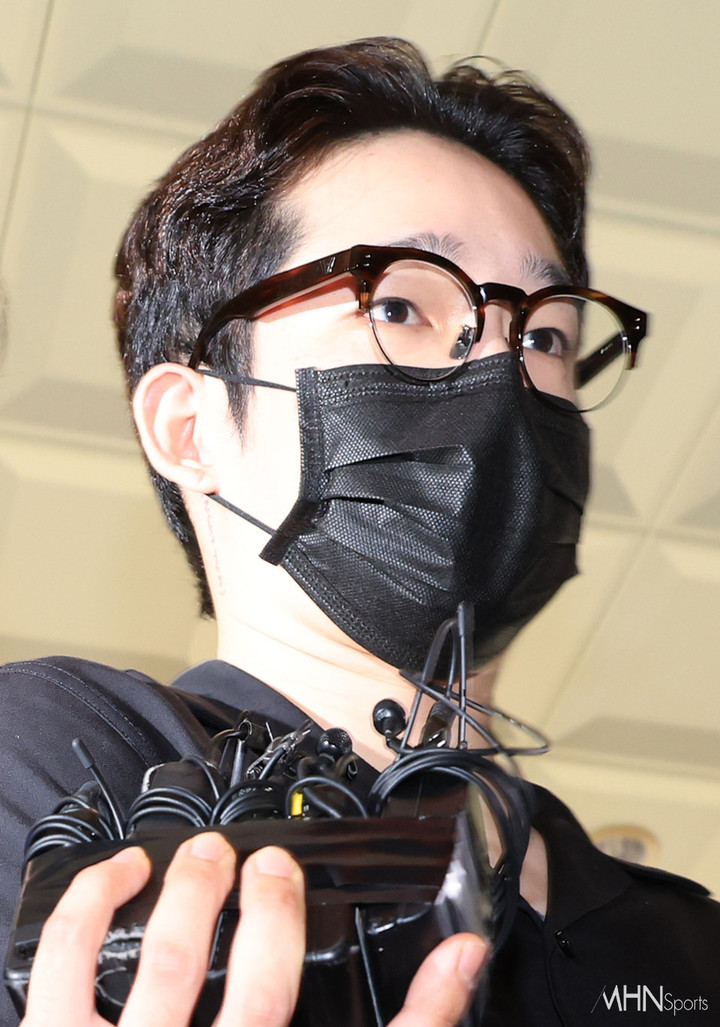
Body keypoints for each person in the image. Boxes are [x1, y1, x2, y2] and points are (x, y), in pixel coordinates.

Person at [2, 36, 718, 1027]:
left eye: (547, 334)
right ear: (190, 428)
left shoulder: (685, 944)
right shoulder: (49, 763)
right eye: (400, 304)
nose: (502, 371)